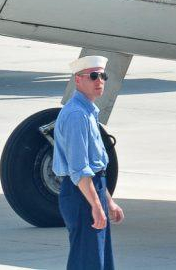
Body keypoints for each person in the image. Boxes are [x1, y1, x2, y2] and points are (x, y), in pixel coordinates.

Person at [53, 55, 125, 270]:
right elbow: (80, 170)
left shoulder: (88, 113)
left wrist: (107, 202)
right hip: (81, 194)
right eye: (93, 76)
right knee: (87, 262)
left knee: (99, 261)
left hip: (91, 191)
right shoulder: (77, 116)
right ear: (78, 80)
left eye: (102, 76)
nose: (99, 81)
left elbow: (96, 168)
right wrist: (95, 205)